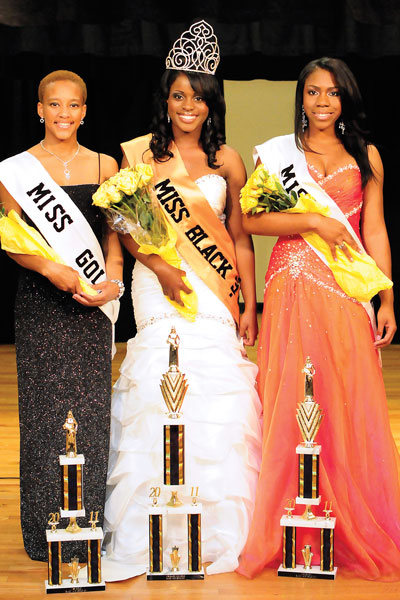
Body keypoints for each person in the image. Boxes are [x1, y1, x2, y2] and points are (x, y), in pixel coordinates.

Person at [103, 21, 262, 579]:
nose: (187, 106)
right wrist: (164, 270)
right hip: (156, 282)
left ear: (211, 102)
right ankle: (154, 526)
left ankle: (216, 528)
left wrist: (248, 304)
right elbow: (124, 222)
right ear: (165, 100)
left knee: (214, 388)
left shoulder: (228, 162)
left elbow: (239, 238)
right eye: (178, 96)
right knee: (157, 382)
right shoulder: (142, 156)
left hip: (215, 289)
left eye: (198, 97)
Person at [237, 57, 400, 581]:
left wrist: (386, 299)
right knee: (293, 398)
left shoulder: (366, 154)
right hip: (292, 281)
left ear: (345, 98)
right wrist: (311, 219)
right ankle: (292, 521)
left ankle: (350, 515)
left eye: (332, 92)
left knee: (346, 397)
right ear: (301, 98)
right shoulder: (280, 155)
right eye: (313, 92)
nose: (322, 102)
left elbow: (373, 229)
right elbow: (251, 219)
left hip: (346, 289)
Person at [0, 70, 123, 562]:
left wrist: (112, 274)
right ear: (39, 109)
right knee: (43, 415)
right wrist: (52, 270)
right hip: (40, 303)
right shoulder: (17, 169)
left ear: (85, 111)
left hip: (92, 304)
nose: (64, 114)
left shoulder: (106, 164)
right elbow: (10, 238)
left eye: (73, 106)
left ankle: (87, 522)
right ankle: (44, 527)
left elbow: (115, 234)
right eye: (55, 105)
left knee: (91, 415)